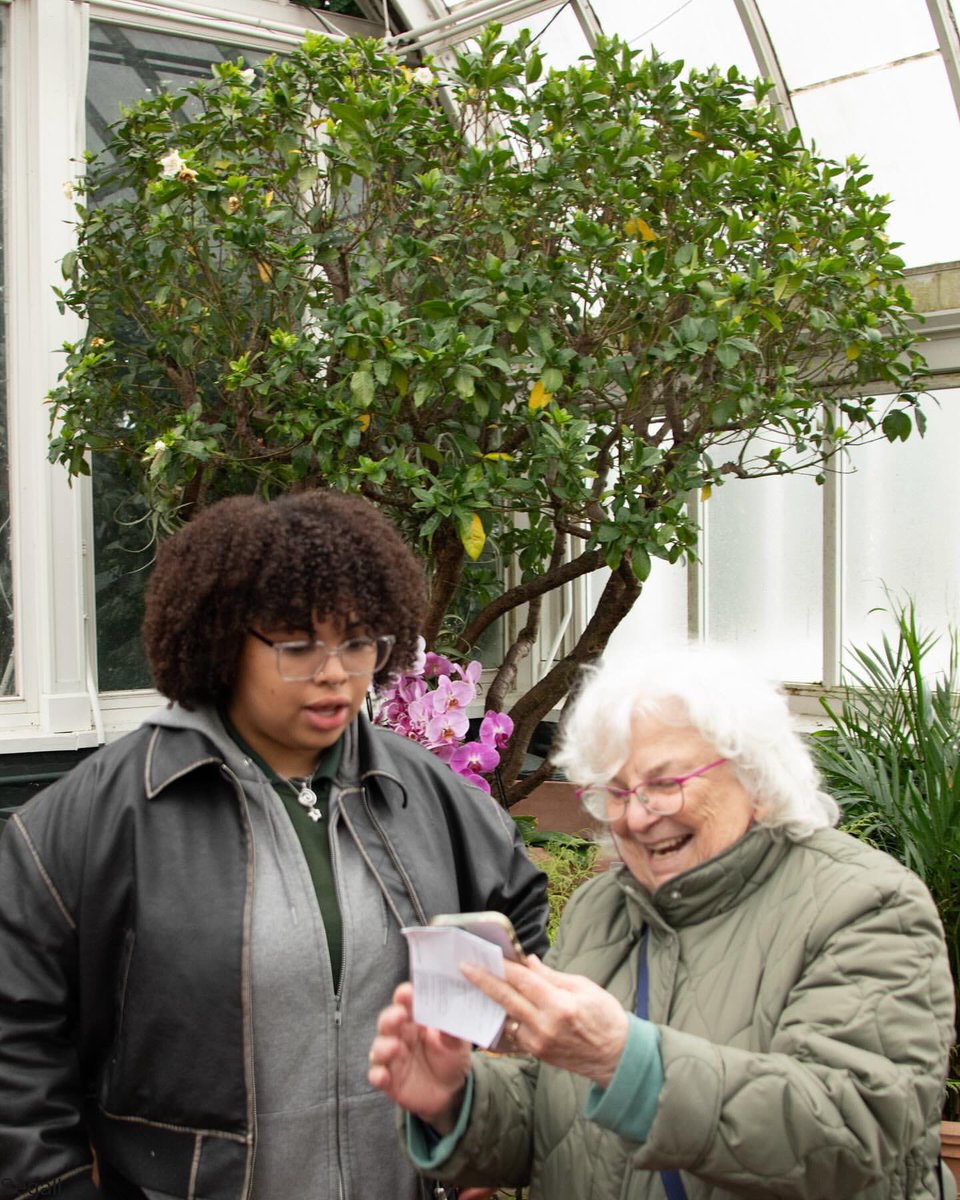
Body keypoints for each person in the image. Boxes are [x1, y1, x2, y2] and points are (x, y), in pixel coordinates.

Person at [0, 489, 548, 1200]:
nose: (335, 673)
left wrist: (479, 1127)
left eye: (359, 642)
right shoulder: (97, 819)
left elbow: (524, 953)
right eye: (297, 646)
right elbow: (15, 1047)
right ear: (222, 638)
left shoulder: (427, 796)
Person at [369, 643, 956, 1200]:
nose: (637, 817)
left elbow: (853, 1133)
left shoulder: (866, 906)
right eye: (617, 791)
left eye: (664, 784)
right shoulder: (604, 910)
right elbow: (555, 1122)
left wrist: (624, 1059)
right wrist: (457, 1099)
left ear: (755, 775)